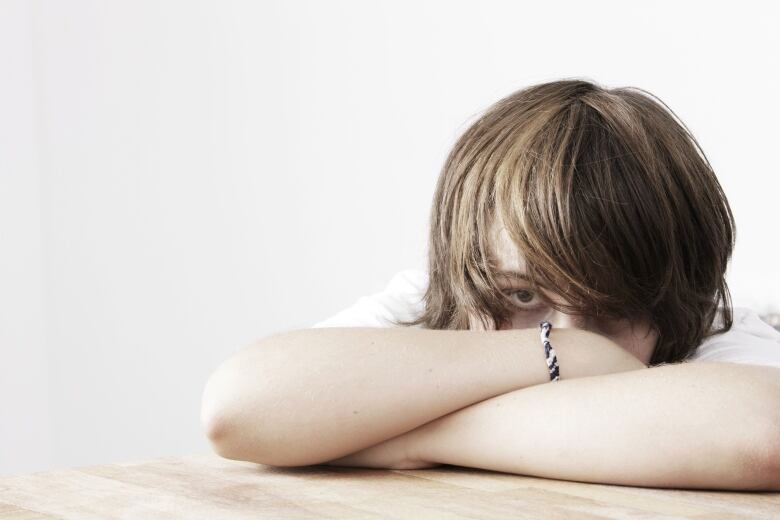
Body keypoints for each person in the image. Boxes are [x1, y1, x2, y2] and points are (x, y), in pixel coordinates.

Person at [201, 79, 780, 490]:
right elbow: (238, 409)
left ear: (683, 298)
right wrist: (559, 356)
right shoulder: (433, 298)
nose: (575, 336)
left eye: (612, 306)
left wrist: (410, 439)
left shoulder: (716, 330)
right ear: (463, 270)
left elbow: (767, 437)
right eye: (525, 297)